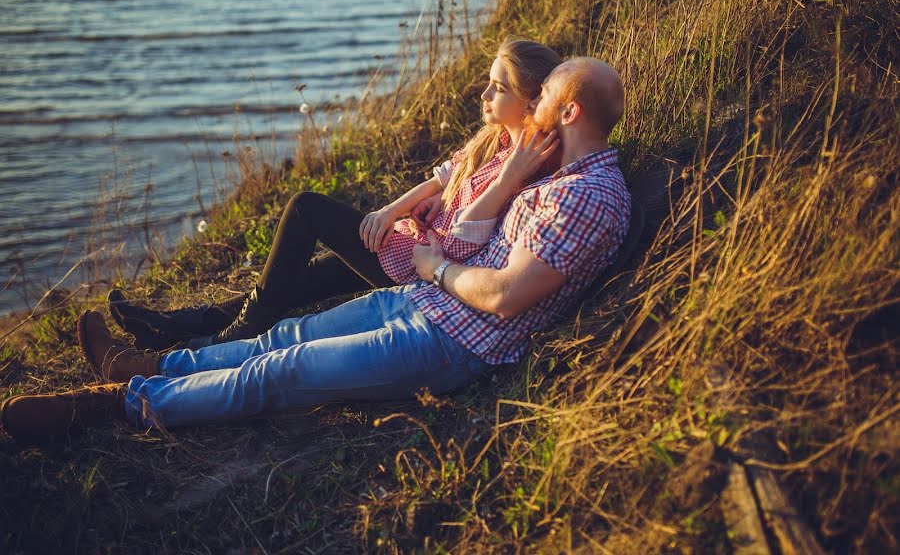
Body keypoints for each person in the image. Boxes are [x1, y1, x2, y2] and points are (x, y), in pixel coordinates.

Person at [0, 58, 630, 444]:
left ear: (568, 109)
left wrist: (436, 267)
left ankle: (120, 403)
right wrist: (493, 192)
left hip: (450, 343)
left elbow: (505, 296)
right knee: (285, 335)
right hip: (422, 300)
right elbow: (475, 221)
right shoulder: (549, 168)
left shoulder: (585, 195)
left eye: (545, 92)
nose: (537, 101)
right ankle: (154, 363)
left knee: (282, 373)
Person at [107, 39, 563, 350]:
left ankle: (235, 336)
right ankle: (173, 325)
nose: (483, 94)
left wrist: (501, 184)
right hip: (406, 245)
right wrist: (389, 210)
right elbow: (445, 176)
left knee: (307, 207)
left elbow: (467, 242)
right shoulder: (497, 138)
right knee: (294, 282)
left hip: (419, 272)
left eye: (498, 88)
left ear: (529, 101)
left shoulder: (525, 161)